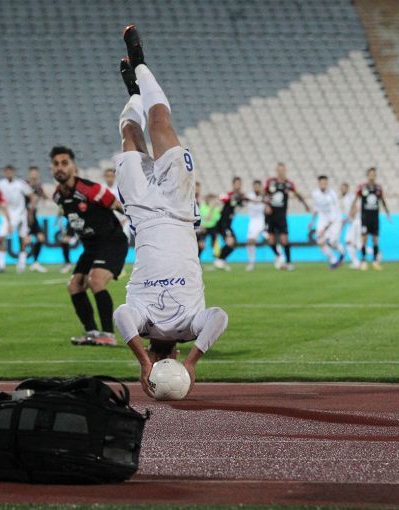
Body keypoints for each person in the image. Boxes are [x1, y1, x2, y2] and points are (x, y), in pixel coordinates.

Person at [111, 25, 229, 398]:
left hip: (144, 215)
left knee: (130, 133)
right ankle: (140, 65)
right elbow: (220, 316)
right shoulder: (190, 327)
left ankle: (135, 92)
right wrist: (193, 361)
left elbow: (120, 314)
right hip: (179, 211)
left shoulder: (142, 323)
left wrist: (141, 361)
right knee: (160, 123)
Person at [51, 145, 128, 346]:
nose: (60, 167)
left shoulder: (91, 189)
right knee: (74, 286)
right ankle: (92, 333)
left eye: (64, 163)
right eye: (56, 164)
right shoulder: (58, 196)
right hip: (91, 247)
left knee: (95, 281)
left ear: (73, 166)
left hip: (112, 242)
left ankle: (108, 335)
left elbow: (120, 207)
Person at [264, 162, 310, 271]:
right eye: (279, 170)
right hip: (270, 216)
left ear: (285, 171)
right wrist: (266, 205)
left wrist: (306, 205)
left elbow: (297, 194)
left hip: (281, 216)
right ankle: (279, 256)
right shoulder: (271, 182)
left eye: (282, 170)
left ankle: (288, 262)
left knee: (284, 240)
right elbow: (264, 194)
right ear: (276, 171)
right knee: (270, 240)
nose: (281, 172)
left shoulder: (289, 184)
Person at [350, 167, 391, 271]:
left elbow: (382, 200)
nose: (372, 176)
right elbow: (355, 199)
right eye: (370, 174)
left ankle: (375, 261)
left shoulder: (378, 188)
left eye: (374, 174)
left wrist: (387, 213)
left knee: (375, 240)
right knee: (364, 239)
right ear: (367, 175)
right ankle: (364, 261)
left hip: (375, 217)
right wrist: (352, 210)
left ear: (375, 175)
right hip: (365, 217)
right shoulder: (362, 187)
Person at [0, 165, 35, 273]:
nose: (9, 173)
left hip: (21, 214)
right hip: (7, 214)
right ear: (4, 172)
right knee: (1, 237)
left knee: (22, 239)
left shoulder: (20, 183)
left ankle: (21, 264)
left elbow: (32, 196)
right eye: (7, 171)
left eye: (10, 171)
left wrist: (30, 210)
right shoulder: (0, 184)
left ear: (13, 172)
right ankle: (1, 265)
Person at [308, 175, 345, 269]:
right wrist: (312, 221)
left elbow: (334, 213)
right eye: (321, 182)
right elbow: (316, 208)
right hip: (323, 218)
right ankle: (333, 260)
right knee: (320, 241)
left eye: (325, 182)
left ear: (327, 183)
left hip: (335, 219)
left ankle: (342, 252)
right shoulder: (315, 194)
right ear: (318, 183)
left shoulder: (332, 195)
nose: (323, 184)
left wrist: (324, 229)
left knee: (332, 242)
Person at [213, 177, 244, 270]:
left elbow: (242, 204)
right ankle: (219, 259)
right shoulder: (229, 195)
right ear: (233, 185)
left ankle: (221, 259)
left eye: (239, 184)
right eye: (236, 183)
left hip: (228, 224)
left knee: (234, 243)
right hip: (223, 223)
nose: (238, 186)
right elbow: (221, 198)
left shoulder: (240, 197)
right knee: (230, 242)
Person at [26, 166, 48, 273]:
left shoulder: (38, 187)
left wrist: (44, 197)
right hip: (24, 216)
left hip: (33, 216)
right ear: (29, 174)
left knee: (41, 238)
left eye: (35, 173)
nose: (34, 175)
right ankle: (22, 262)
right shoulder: (25, 186)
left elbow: (44, 196)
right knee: (25, 240)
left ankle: (35, 262)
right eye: (32, 173)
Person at [103, 167, 132, 243]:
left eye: (111, 176)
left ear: (114, 177)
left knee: (124, 241)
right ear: (104, 177)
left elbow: (126, 206)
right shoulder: (101, 190)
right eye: (107, 176)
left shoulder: (121, 189)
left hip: (122, 220)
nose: (109, 178)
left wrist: (124, 219)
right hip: (107, 221)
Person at [244, 179, 267, 271]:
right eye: (255, 186)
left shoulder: (265, 195)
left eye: (258, 186)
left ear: (261, 187)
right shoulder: (249, 195)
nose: (256, 188)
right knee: (250, 241)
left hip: (263, 220)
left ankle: (280, 259)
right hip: (253, 221)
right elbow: (247, 200)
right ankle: (251, 262)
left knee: (272, 239)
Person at [339, 182, 362, 269]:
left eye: (344, 188)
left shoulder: (350, 197)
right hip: (352, 222)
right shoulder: (345, 198)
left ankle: (375, 253)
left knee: (355, 244)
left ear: (347, 189)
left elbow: (355, 208)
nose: (342, 190)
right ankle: (356, 262)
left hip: (356, 222)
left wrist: (348, 217)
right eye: (341, 188)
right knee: (350, 242)